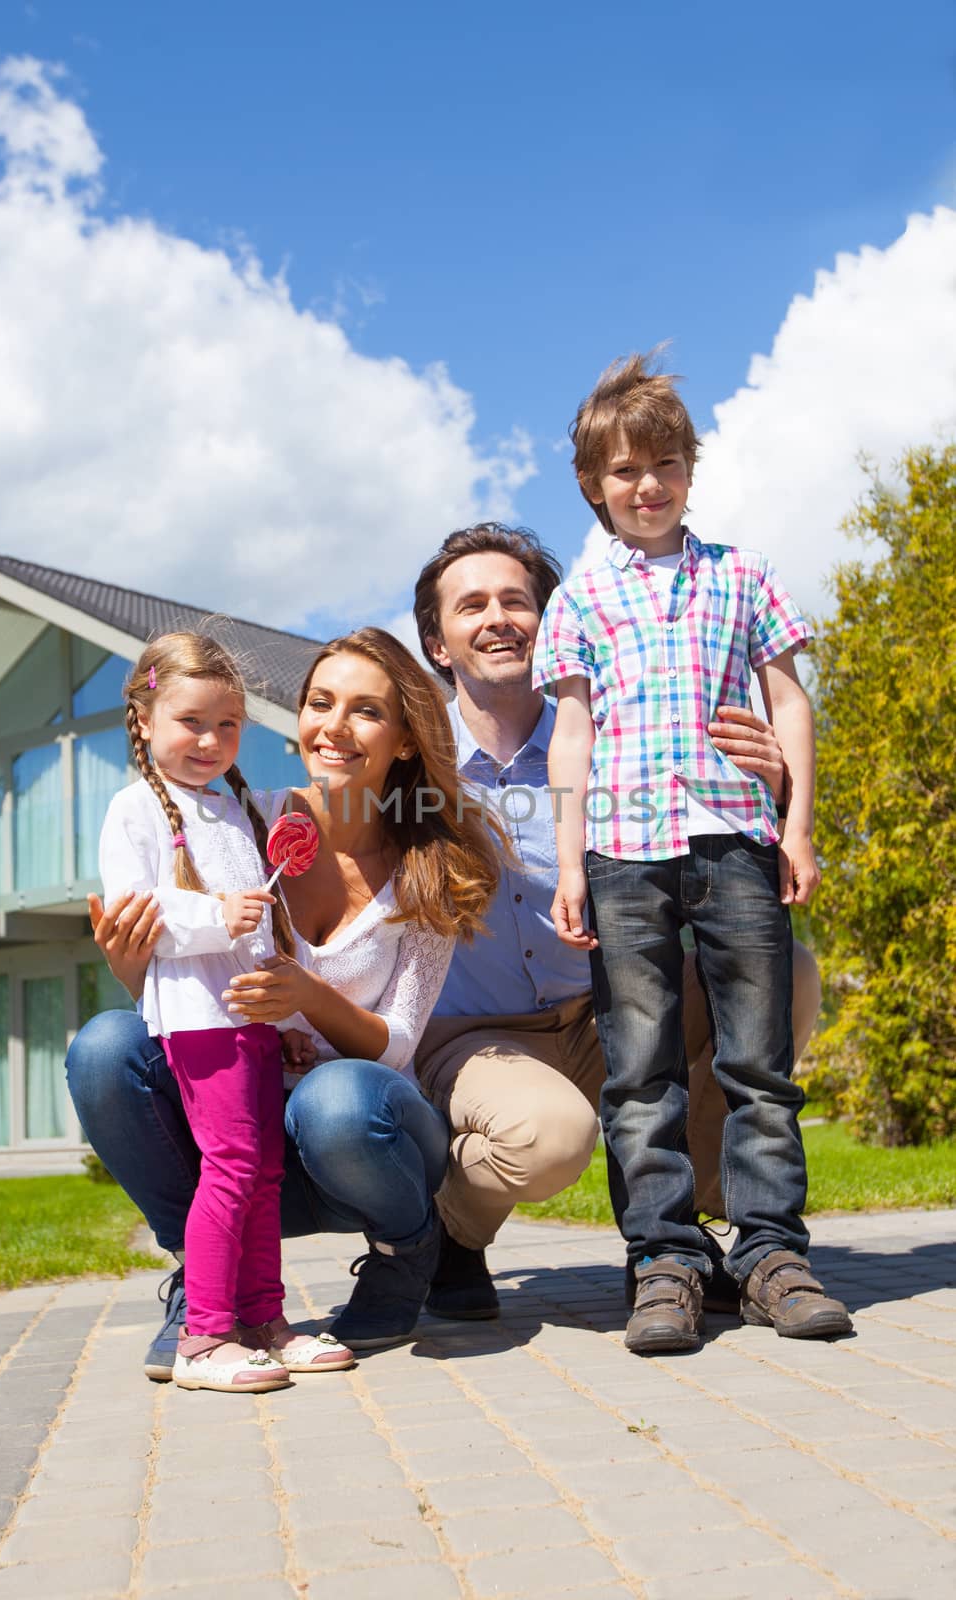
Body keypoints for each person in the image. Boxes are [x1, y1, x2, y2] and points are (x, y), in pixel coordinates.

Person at [410, 521, 823, 1324]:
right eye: (471, 606)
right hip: (481, 1037)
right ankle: (449, 1234)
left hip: (614, 1006)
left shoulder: (615, 743)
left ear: (552, 622)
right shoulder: (409, 765)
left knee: (790, 976)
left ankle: (698, 1226)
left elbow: (717, 851)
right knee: (549, 1135)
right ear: (437, 642)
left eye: (516, 600)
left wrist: (772, 779)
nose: (498, 617)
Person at [68, 627, 502, 1364]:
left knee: (334, 1097)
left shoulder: (430, 868)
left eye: (364, 710)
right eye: (319, 702)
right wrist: (131, 966)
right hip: (242, 1108)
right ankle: (208, 1286)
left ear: (404, 739)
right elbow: (188, 976)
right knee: (105, 1046)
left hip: (359, 1143)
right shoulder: (239, 820)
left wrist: (308, 996)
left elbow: (397, 1042)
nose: (332, 727)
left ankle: (409, 1251)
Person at [533, 352, 851, 1353]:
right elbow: (571, 738)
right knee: (638, 1071)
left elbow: (789, 702)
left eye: (664, 463)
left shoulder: (740, 575)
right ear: (594, 485)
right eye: (625, 470)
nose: (646, 484)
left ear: (688, 469)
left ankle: (768, 1255)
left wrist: (793, 824)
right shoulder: (579, 600)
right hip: (624, 858)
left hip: (734, 846)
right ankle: (662, 1262)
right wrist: (573, 865)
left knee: (757, 1060)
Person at [101, 631, 353, 1392]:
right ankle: (204, 1338)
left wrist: (292, 1023)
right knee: (234, 1167)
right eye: (190, 721)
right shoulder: (134, 809)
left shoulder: (232, 807)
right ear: (143, 719)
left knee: (264, 1172)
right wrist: (218, 913)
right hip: (196, 1020)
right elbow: (134, 912)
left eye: (227, 724)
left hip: (248, 1022)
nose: (210, 740)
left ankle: (264, 1322)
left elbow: (266, 932)